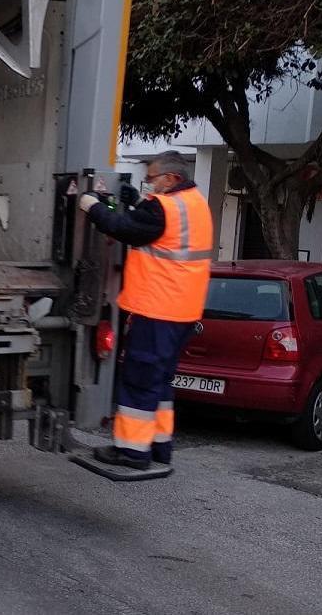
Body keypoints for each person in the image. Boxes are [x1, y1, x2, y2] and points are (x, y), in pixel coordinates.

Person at [78, 150, 213, 471]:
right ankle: (158, 446)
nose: (149, 184)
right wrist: (138, 199)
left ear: (172, 179)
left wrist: (92, 206)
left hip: (157, 310)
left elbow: (125, 228)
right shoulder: (195, 204)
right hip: (183, 312)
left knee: (139, 379)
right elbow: (160, 231)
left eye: (152, 179)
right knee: (161, 382)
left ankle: (131, 451)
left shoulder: (163, 208)